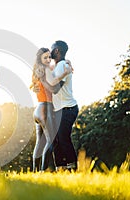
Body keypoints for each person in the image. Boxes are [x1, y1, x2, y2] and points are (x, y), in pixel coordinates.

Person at [30, 47, 71, 172]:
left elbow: (34, 85)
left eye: (49, 57)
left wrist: (68, 62)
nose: (48, 59)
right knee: (52, 141)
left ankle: (35, 171)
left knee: (39, 143)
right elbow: (53, 83)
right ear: (40, 59)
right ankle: (43, 171)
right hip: (46, 109)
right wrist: (66, 72)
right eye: (45, 58)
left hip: (38, 109)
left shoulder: (38, 70)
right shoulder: (45, 69)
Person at [46, 40, 79, 171]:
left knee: (63, 137)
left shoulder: (62, 66)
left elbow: (55, 89)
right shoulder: (60, 65)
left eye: (52, 49)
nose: (50, 51)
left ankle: (72, 167)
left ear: (57, 51)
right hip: (60, 109)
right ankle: (61, 167)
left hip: (68, 108)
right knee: (57, 139)